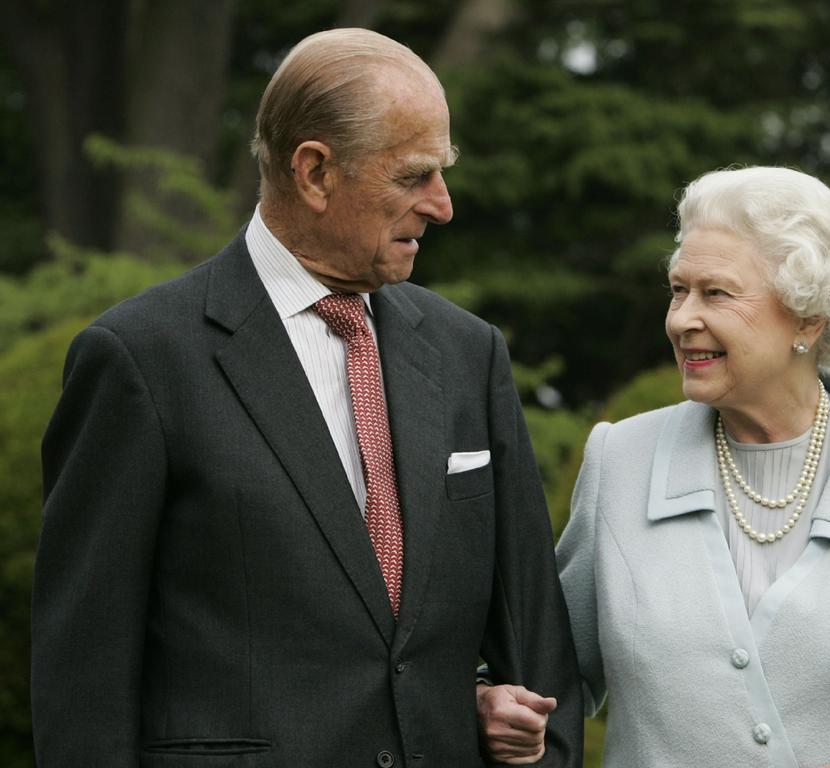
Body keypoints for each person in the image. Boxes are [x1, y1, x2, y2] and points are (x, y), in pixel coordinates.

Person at [32, 28, 582, 767]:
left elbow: (535, 648)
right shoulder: (140, 359)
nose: (443, 206)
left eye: (442, 172)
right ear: (315, 172)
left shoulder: (468, 354)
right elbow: (83, 680)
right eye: (413, 176)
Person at [477, 166, 830, 767]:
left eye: (716, 294)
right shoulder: (620, 462)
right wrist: (497, 704)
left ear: (808, 319)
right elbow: (546, 675)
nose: (682, 319)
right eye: (677, 290)